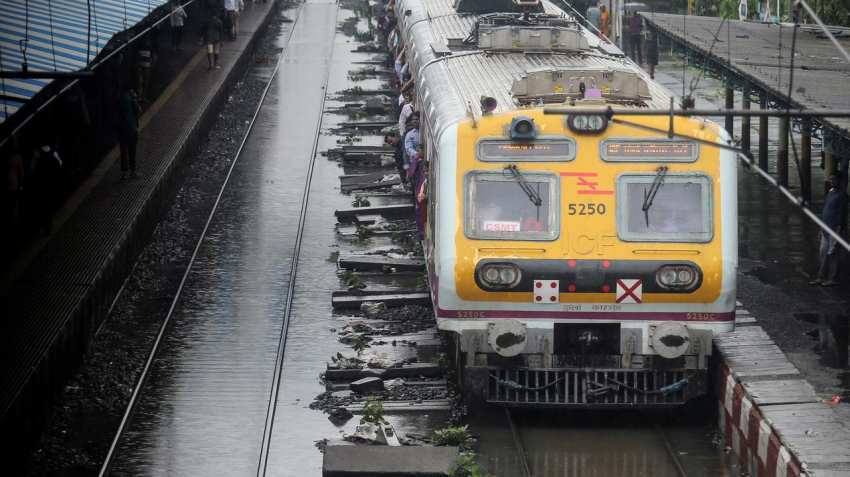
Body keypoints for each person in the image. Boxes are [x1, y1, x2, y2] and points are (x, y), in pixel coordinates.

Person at [810, 175, 848, 286]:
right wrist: (821, 227)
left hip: (834, 229)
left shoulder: (842, 196)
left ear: (839, 181)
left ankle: (833, 278)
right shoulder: (830, 192)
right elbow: (825, 210)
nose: (831, 181)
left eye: (834, 179)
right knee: (823, 253)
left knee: (832, 254)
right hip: (825, 228)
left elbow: (842, 215)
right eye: (831, 179)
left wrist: (838, 231)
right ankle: (821, 277)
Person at [117, 86, 142, 179]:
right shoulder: (131, 99)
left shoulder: (118, 98)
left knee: (123, 151)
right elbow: (139, 110)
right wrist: (135, 98)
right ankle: (133, 171)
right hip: (131, 129)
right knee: (132, 150)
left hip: (121, 130)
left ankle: (124, 173)